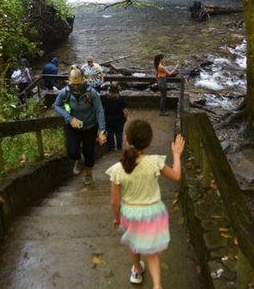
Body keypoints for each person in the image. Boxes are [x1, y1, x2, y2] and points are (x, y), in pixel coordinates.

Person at [105, 119, 185, 288]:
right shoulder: (155, 162)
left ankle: (136, 270)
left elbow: (114, 201)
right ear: (149, 142)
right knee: (151, 252)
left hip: (131, 215)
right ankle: (157, 285)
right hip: (154, 214)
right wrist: (176, 155)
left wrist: (116, 218)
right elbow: (177, 176)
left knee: (134, 245)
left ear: (126, 139)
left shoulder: (118, 169)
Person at [54, 66, 107, 186]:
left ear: (83, 80)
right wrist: (70, 118)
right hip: (73, 126)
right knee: (72, 151)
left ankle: (88, 174)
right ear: (69, 81)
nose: (76, 87)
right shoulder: (65, 92)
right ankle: (78, 159)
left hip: (90, 127)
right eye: (73, 84)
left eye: (78, 84)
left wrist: (102, 130)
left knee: (89, 153)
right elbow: (57, 105)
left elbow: (99, 110)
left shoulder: (91, 92)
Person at [102, 82, 129, 151]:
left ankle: (111, 146)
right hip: (119, 119)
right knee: (119, 133)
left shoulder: (105, 97)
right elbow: (125, 110)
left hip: (108, 119)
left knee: (110, 133)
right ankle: (119, 146)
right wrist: (126, 117)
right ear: (118, 89)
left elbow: (102, 108)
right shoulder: (121, 99)